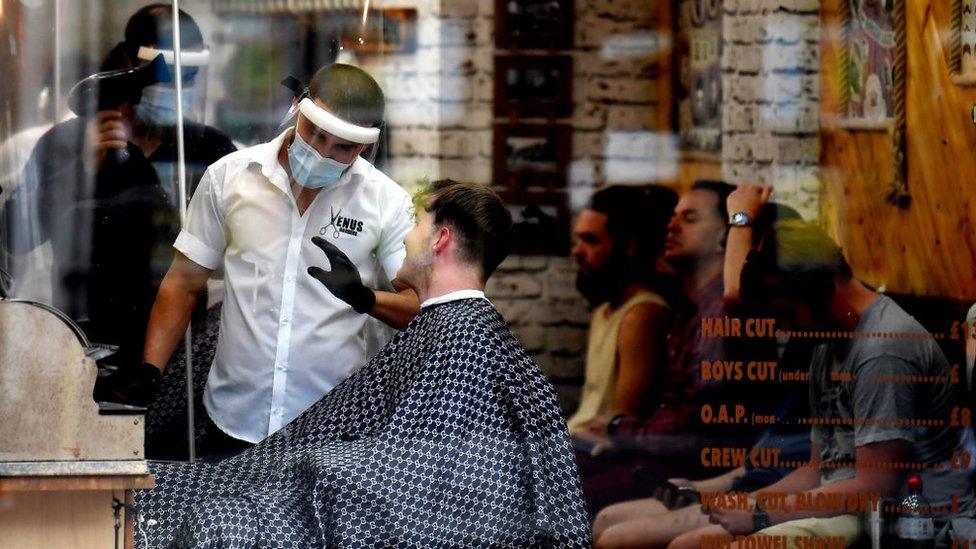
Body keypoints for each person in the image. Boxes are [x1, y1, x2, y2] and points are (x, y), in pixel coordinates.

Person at [132, 179, 590, 547]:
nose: (404, 236)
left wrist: (312, 461)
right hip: (296, 474)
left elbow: (420, 485)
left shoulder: (463, 338)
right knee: (164, 488)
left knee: (212, 520)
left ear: (441, 239)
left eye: (415, 223)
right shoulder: (450, 326)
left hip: (350, 503)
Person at [123, 62, 419, 458]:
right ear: (298, 108)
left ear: (364, 145)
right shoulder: (229, 178)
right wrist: (150, 372)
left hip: (332, 432)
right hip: (231, 419)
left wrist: (365, 299)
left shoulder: (385, 202)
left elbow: (420, 307)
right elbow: (184, 282)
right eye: (315, 133)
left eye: (342, 147)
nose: (321, 152)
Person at [671, 218, 976, 549]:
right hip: (846, 509)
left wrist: (761, 514)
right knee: (689, 542)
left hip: (907, 519)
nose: (786, 330)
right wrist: (743, 502)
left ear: (818, 290)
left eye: (788, 314)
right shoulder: (827, 341)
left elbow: (875, 484)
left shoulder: (884, 349)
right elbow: (819, 469)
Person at [1, 4, 235, 372]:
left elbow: (234, 250)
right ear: (130, 68)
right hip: (81, 343)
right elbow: (15, 236)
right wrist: (80, 171)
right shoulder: (66, 142)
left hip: (178, 350)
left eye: (190, 77)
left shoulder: (209, 149)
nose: (178, 89)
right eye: (168, 75)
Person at [576, 181, 783, 517]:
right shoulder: (691, 307)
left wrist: (620, 430)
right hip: (659, 458)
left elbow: (696, 432)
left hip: (696, 470)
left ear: (722, 239)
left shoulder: (725, 309)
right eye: (673, 217)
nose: (671, 226)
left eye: (689, 218)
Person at [567, 185, 678, 435]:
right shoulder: (605, 311)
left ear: (629, 246)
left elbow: (621, 426)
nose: (577, 251)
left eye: (591, 240)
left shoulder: (641, 315)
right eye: (578, 239)